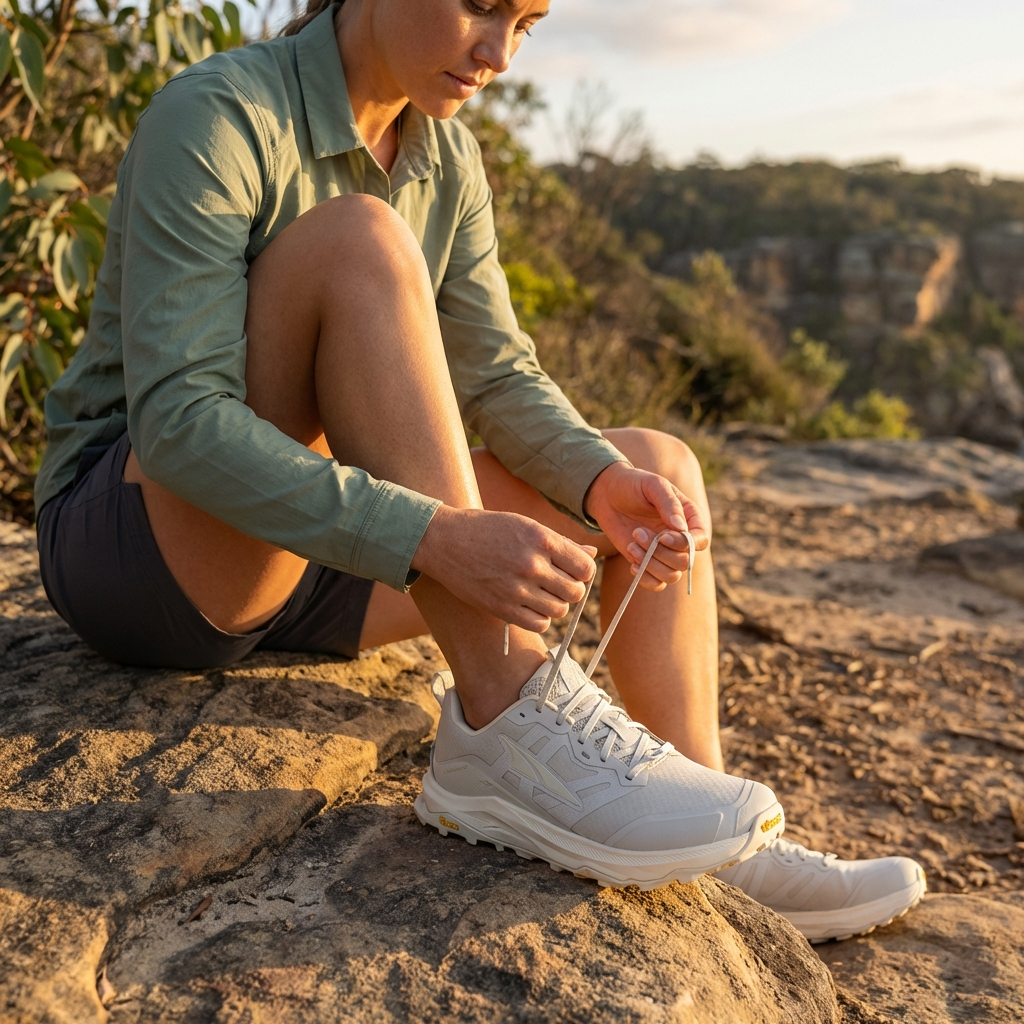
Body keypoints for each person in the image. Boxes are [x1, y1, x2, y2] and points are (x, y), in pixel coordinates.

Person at [34, 0, 924, 941]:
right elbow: (176, 425)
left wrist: (592, 483)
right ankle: (506, 722)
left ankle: (724, 844)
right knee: (361, 241)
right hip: (146, 553)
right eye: (483, 7)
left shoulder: (444, 155)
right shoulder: (220, 114)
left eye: (528, 24)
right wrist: (432, 536)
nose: (499, 54)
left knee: (654, 466)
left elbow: (496, 373)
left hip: (311, 555)